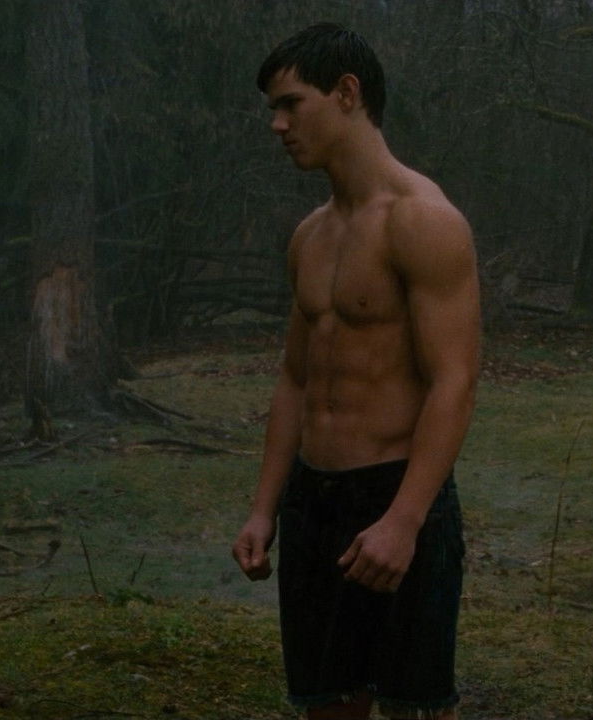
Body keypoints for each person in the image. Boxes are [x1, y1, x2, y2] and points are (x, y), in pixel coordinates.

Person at [231, 24, 480, 720]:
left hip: (396, 492)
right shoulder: (310, 235)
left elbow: (454, 381)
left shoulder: (423, 221)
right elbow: (296, 379)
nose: (278, 125)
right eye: (273, 110)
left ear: (347, 93)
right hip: (312, 502)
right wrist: (264, 508)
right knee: (328, 705)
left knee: (415, 708)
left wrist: (404, 520)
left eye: (291, 104)